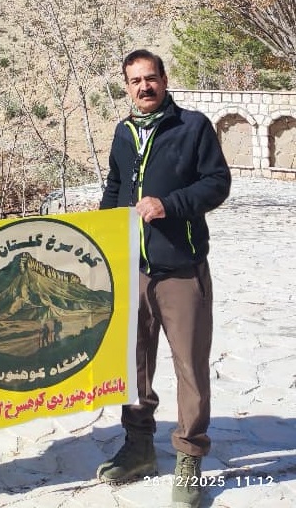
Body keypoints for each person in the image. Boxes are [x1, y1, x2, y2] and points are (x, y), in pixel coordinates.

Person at [96, 50, 231, 508]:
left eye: (150, 78)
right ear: (126, 87)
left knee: (190, 366)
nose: (144, 87)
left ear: (164, 79)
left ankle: (189, 456)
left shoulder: (192, 127)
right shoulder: (123, 132)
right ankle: (139, 448)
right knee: (133, 365)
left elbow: (217, 182)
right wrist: (102, 237)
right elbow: (115, 187)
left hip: (181, 269)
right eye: (135, 81)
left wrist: (168, 205)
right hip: (132, 269)